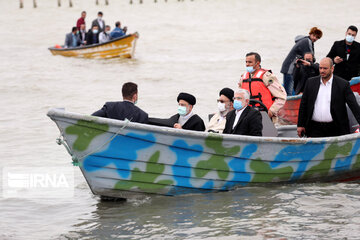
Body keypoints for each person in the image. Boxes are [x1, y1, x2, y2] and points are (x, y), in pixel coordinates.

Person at [297, 58, 360, 138]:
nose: (322, 71)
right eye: (320, 68)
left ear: (332, 68)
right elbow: (303, 105)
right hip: (314, 128)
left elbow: (354, 106)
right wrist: (300, 125)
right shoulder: (310, 82)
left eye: (325, 68)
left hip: (335, 128)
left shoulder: (343, 84)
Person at [238, 52, 287, 122]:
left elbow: (282, 96)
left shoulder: (267, 76)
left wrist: (271, 111)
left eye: (250, 62)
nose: (247, 64)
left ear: (257, 63)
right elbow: (240, 96)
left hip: (264, 114)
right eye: (246, 62)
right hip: (247, 115)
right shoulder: (243, 77)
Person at [281, 27, 323, 95]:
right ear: (310, 34)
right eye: (314, 35)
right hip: (290, 69)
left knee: (290, 90)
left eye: (317, 37)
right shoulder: (307, 41)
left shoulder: (306, 41)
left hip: (292, 69)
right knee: (288, 93)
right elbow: (310, 58)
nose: (315, 38)